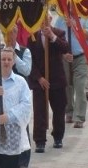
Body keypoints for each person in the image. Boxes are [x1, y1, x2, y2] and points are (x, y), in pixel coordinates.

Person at [27, 13, 69, 153]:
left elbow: (65, 48)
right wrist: (39, 78)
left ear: (51, 20)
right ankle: (40, 140)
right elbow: (30, 61)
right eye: (41, 20)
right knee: (39, 111)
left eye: (46, 20)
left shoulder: (59, 33)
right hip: (40, 81)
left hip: (57, 80)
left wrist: (52, 36)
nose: (43, 23)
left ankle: (58, 137)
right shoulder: (32, 37)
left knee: (59, 110)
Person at [54, 14, 88, 129]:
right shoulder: (61, 18)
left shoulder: (87, 16)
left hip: (81, 57)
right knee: (67, 86)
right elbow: (56, 37)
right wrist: (63, 53)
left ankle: (79, 117)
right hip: (66, 56)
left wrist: (75, 26)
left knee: (80, 87)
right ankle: (69, 112)